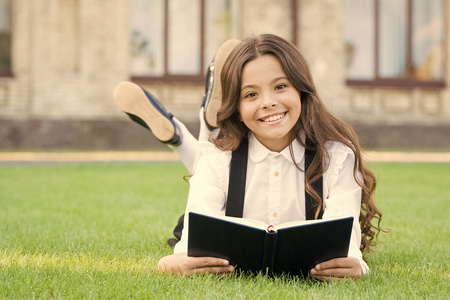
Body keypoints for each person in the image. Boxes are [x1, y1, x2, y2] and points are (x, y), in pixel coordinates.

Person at [114, 34, 383, 281]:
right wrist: (170, 263)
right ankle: (202, 129)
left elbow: (348, 247)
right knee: (207, 172)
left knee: (210, 155)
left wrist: (356, 265)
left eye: (280, 86)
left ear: (302, 90)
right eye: (251, 94)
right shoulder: (218, 160)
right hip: (219, 212)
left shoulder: (336, 158)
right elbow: (187, 251)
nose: (267, 102)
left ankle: (193, 132)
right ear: (237, 109)